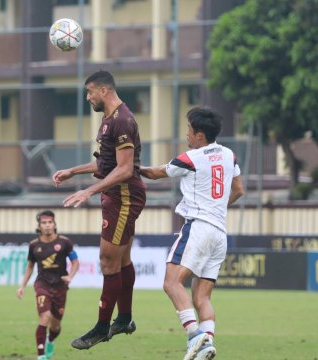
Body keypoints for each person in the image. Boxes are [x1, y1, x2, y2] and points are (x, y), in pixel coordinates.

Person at [139, 106, 244, 360]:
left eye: (188, 129)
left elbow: (155, 174)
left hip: (198, 227)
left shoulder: (192, 158)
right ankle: (206, 345)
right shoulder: (229, 155)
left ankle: (195, 336)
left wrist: (132, 166)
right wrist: (217, 207)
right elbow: (238, 190)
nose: (186, 134)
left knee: (171, 282)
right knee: (201, 297)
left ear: (199, 135)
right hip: (219, 234)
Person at [52, 70, 146, 349]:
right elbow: (106, 164)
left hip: (124, 196)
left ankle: (102, 328)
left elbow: (126, 169)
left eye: (89, 92)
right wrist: (73, 171)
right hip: (116, 194)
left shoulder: (123, 120)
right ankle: (125, 318)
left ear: (103, 91)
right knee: (123, 260)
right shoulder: (109, 120)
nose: (88, 97)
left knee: (108, 262)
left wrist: (89, 190)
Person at [17, 210, 80, 360]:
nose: (47, 226)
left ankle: (50, 340)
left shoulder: (64, 242)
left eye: (49, 222)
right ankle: (41, 356)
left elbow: (75, 262)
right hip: (42, 285)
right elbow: (30, 266)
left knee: (55, 326)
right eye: (44, 223)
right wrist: (22, 286)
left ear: (54, 224)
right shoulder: (33, 245)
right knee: (44, 317)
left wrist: (70, 276)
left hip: (60, 287)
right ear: (39, 226)